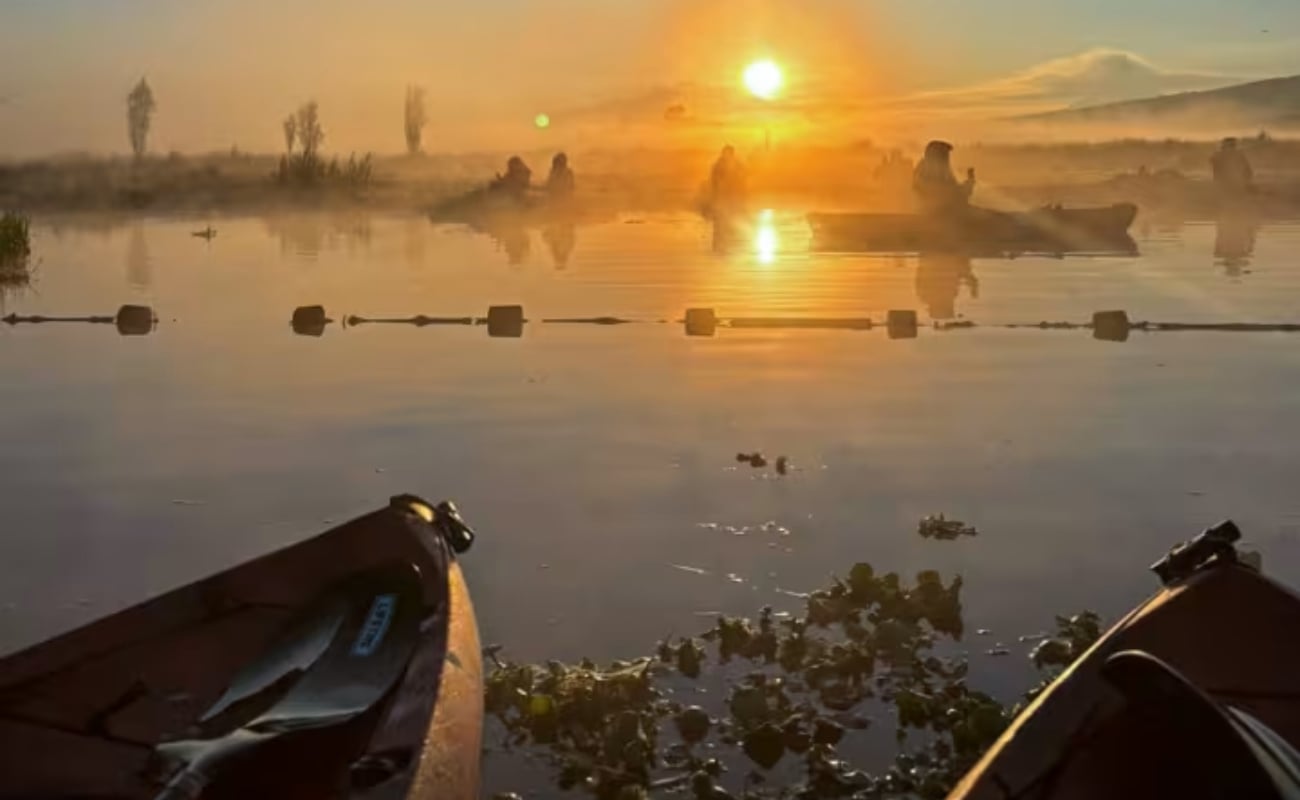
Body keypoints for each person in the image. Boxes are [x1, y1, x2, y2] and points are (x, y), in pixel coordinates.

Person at [912, 140, 975, 215]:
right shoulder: (926, 169)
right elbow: (943, 194)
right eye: (944, 154)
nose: (947, 157)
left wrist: (969, 182)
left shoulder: (944, 171)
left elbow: (955, 191)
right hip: (933, 214)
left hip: (945, 212)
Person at [709, 145, 748, 214]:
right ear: (723, 153)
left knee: (734, 208)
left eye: (728, 153)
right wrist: (715, 189)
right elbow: (714, 177)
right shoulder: (718, 164)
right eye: (725, 153)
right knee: (723, 209)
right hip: (723, 190)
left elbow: (743, 174)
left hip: (734, 190)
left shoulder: (737, 163)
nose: (726, 155)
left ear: (732, 154)